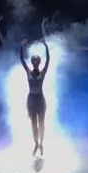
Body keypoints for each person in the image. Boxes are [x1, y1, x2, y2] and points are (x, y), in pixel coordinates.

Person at [19, 17, 51, 157]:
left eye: (38, 60)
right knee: (33, 123)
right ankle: (36, 143)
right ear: (32, 62)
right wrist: (22, 46)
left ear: (39, 62)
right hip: (32, 99)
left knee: (41, 123)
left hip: (40, 99)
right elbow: (22, 59)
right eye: (34, 60)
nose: (36, 62)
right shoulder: (29, 72)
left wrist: (46, 46)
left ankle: (41, 143)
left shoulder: (42, 72)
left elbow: (48, 60)